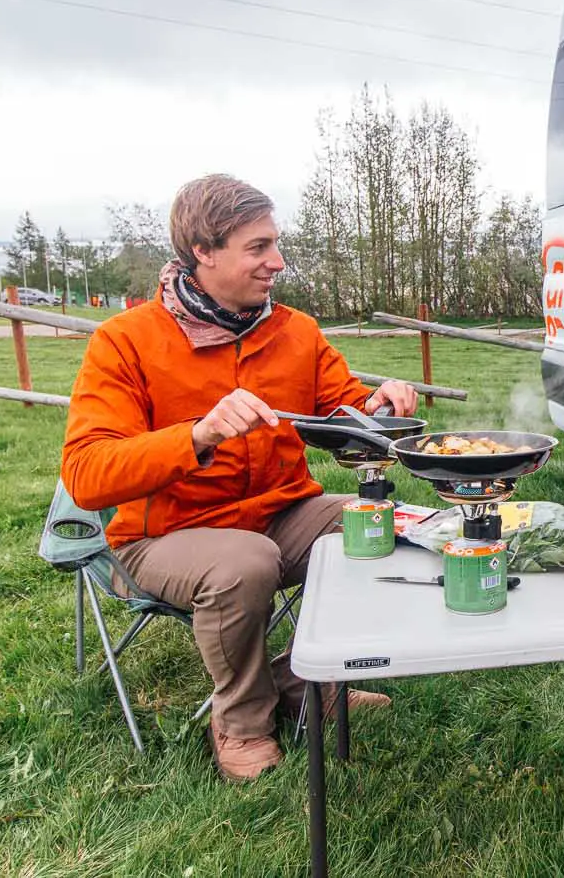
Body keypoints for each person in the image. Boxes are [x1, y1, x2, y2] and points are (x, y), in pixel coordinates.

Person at [62, 174, 419, 780]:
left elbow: (340, 414)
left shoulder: (296, 332)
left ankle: (307, 675)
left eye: (275, 245)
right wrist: (196, 436)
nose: (277, 263)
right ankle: (242, 719)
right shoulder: (125, 341)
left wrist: (378, 406)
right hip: (166, 534)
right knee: (246, 563)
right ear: (204, 251)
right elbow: (86, 473)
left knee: (382, 522)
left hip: (279, 513)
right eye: (258, 248)